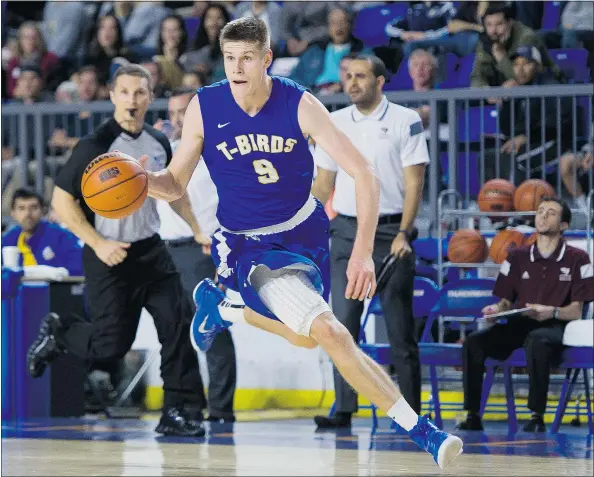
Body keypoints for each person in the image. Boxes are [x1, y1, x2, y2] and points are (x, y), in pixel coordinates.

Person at [140, 17, 463, 469]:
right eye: (229, 58)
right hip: (248, 245)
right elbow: (174, 184)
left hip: (305, 229)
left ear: (266, 59)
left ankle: (226, 307)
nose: (236, 68)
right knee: (332, 332)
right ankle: (421, 430)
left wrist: (363, 251)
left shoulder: (300, 102)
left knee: (308, 339)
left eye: (247, 58)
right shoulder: (204, 106)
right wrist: (143, 181)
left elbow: (364, 173)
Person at [26, 64, 209, 437]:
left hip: (151, 251)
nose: (132, 100)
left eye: (140, 92)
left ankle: (176, 410)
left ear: (149, 97)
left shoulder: (157, 143)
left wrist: (197, 229)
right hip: (109, 257)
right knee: (110, 346)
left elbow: (173, 191)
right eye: (124, 92)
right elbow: (61, 203)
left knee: (178, 322)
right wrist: (98, 243)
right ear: (111, 96)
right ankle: (60, 333)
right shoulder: (95, 146)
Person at [311, 54, 425, 429]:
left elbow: (414, 183)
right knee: (340, 326)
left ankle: (408, 414)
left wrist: (406, 232)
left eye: (361, 76)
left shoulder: (406, 120)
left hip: (392, 234)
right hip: (345, 233)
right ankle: (343, 408)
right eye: (348, 76)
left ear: (380, 82)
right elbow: (323, 186)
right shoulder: (334, 122)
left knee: (399, 331)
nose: (352, 82)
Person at [457, 197, 594, 432]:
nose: (542, 216)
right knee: (473, 343)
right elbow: (506, 302)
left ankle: (536, 416)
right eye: (540, 211)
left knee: (536, 341)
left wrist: (551, 311)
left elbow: (577, 311)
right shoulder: (516, 257)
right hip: (520, 322)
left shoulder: (578, 258)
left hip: (557, 324)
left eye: (551, 213)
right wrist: (495, 311)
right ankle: (471, 414)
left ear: (564, 225)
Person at [155, 87, 237, 423]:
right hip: (165, 250)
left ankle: (220, 408)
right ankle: (189, 403)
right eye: (172, 112)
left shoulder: (219, 153)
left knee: (211, 326)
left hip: (202, 249)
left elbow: (234, 203)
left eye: (182, 112)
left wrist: (223, 248)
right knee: (177, 330)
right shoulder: (167, 152)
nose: (176, 119)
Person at [2, 188, 83, 275]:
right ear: (13, 213)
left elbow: (78, 268)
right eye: (21, 208)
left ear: (43, 211)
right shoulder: (9, 238)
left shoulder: (60, 236)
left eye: (33, 208)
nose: (27, 214)